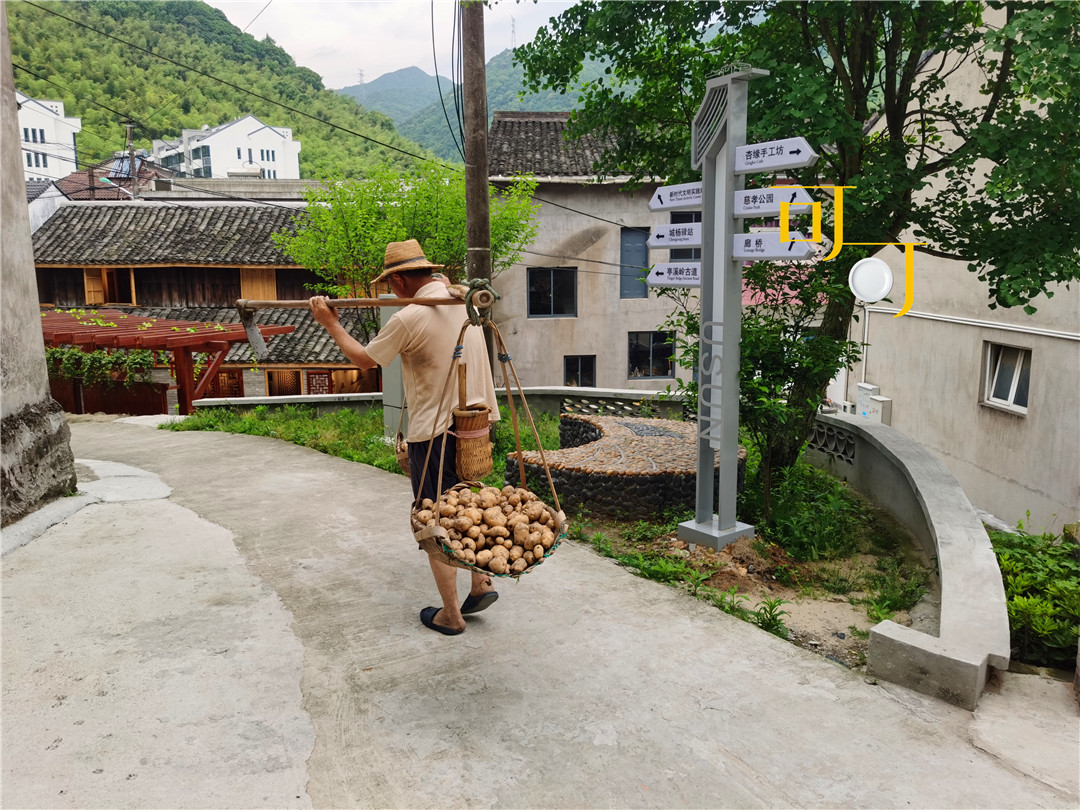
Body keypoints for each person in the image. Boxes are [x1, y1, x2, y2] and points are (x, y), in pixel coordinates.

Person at [309, 239, 500, 636]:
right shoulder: (463, 303)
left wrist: (330, 322)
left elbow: (365, 360)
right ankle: (481, 582)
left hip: (437, 435)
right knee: (467, 509)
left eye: (391, 283)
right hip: (475, 429)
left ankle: (451, 614)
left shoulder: (411, 316)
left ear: (398, 279)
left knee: (436, 522)